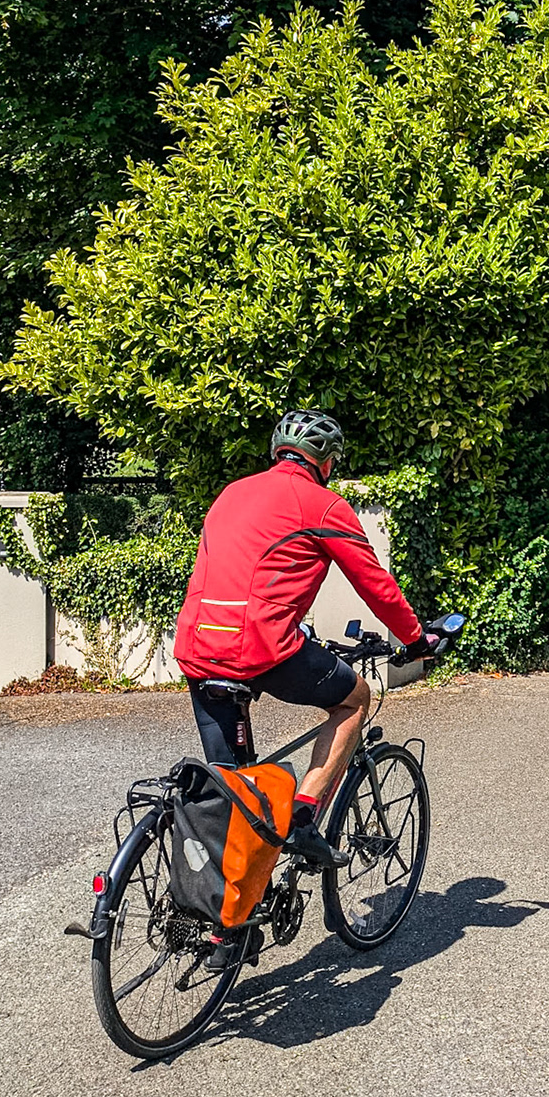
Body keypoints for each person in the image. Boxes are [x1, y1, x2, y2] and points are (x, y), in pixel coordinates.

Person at [172, 408, 435, 964]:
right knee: (353, 699)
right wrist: (414, 640)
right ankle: (305, 815)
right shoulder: (324, 505)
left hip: (199, 646)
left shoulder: (231, 493)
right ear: (327, 461)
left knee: (235, 788)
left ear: (277, 453)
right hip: (262, 647)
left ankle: (229, 929)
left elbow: (236, 571)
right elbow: (376, 585)